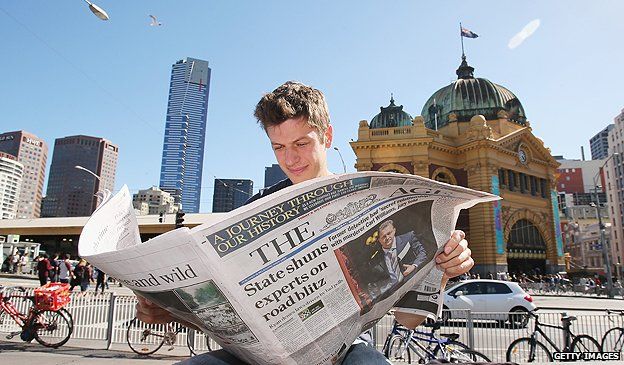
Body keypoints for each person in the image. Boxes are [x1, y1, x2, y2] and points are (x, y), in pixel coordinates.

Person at [136, 81, 474, 365]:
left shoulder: (373, 205)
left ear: (327, 136)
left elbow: (409, 319)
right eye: (278, 146)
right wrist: (167, 311)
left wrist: (442, 269)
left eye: (301, 143)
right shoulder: (256, 208)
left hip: (344, 354)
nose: (290, 158)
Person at [368, 220, 427, 291]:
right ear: (379, 240)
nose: (387, 237)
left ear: (394, 231)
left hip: (414, 283)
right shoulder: (376, 260)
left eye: (389, 233)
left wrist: (414, 266)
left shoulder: (408, 237)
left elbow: (422, 253)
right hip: (393, 292)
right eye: (383, 236)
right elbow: (376, 281)